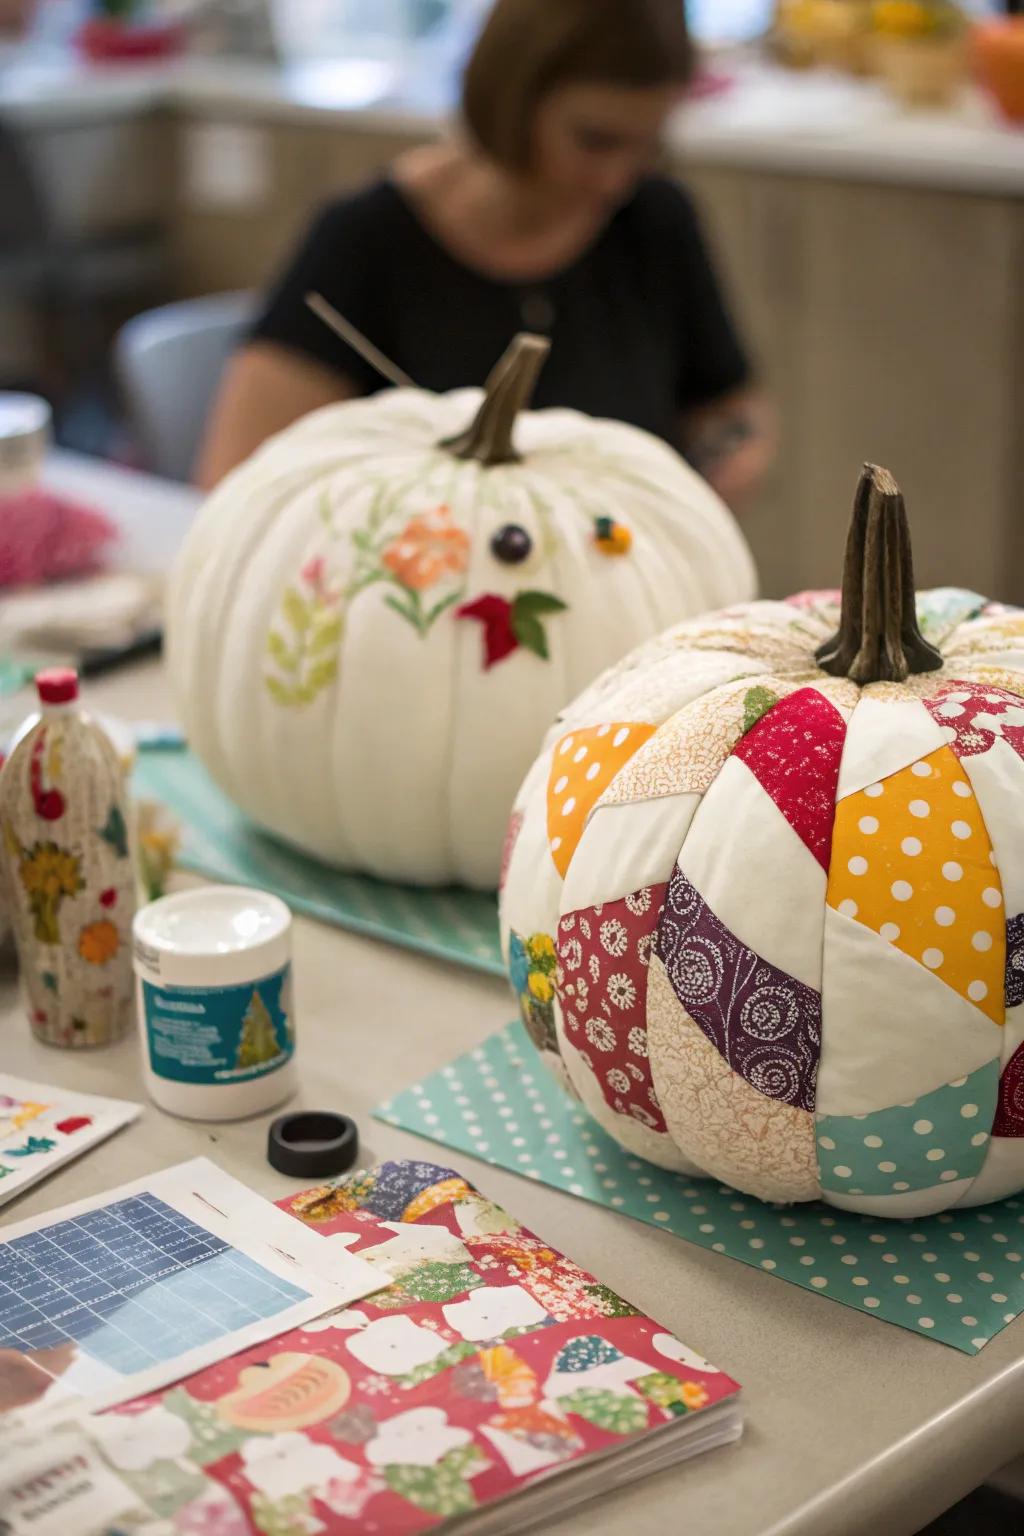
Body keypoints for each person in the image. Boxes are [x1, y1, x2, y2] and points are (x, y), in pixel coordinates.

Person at [197, 0, 772, 509]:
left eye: (650, 146)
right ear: (512, 98)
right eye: (595, 141)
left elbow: (731, 407)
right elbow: (233, 486)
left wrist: (725, 462)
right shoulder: (364, 241)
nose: (617, 179)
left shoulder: (654, 217)